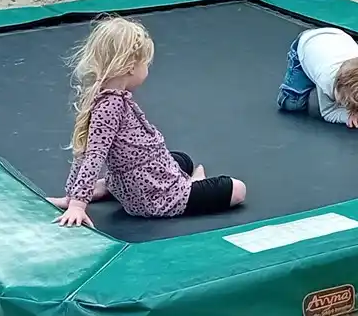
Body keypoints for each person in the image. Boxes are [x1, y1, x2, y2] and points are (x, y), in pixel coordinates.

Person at [50, 16, 245, 227]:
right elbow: (92, 156)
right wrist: (77, 205)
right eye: (146, 64)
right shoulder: (111, 106)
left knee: (183, 160)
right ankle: (192, 183)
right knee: (237, 189)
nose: (147, 70)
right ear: (131, 67)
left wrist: (72, 194)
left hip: (139, 179)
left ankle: (108, 186)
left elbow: (83, 151)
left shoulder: (102, 97)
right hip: (153, 198)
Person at [277, 26, 358, 128]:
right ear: (337, 85)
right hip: (307, 43)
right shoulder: (326, 79)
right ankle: (307, 70)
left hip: (337, 37)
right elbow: (328, 112)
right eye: (346, 103)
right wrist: (348, 117)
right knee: (292, 105)